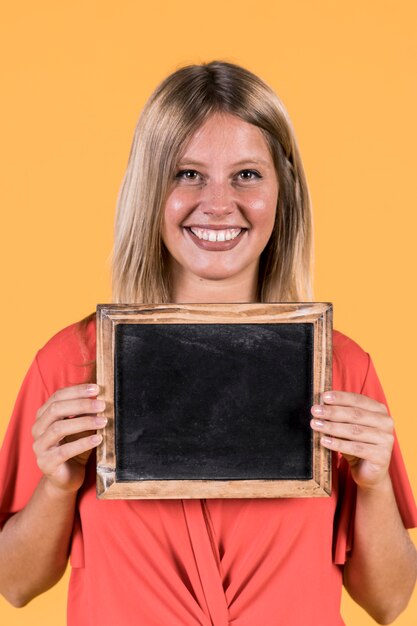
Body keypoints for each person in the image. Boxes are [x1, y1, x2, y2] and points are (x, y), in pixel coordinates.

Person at [0, 60, 416, 626]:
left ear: (282, 192)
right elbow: (15, 585)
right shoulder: (73, 363)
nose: (218, 203)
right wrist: (56, 486)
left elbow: (389, 601)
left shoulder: (340, 366)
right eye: (187, 173)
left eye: (247, 174)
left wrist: (372, 486)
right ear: (150, 189)